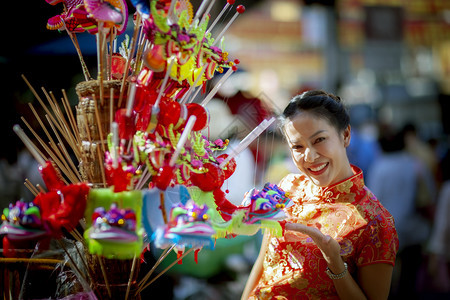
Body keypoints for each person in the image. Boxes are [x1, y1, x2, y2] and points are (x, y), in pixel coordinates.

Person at [241, 90, 399, 299]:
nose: (310, 157)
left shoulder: (375, 222)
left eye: (319, 140)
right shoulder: (287, 187)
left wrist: (335, 263)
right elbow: (261, 265)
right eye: (297, 146)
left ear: (345, 135)